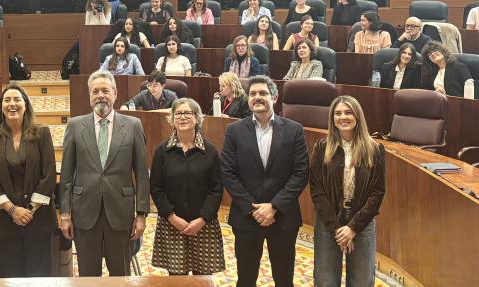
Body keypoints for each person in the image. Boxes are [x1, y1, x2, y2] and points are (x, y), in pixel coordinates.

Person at [220, 75, 309, 287]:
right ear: (248, 99)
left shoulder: (294, 130)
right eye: (253, 94)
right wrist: (254, 209)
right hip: (246, 217)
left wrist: (274, 207)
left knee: (284, 278)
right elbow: (228, 173)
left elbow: (301, 172)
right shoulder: (234, 130)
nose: (257, 97)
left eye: (263, 93)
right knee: (246, 279)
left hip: (283, 218)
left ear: (274, 98)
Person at [59, 70, 150, 276]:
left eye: (105, 90)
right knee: (88, 276)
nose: (100, 95)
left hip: (120, 212)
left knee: (120, 275)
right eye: (95, 91)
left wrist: (141, 214)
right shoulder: (75, 125)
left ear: (115, 93)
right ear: (90, 96)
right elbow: (66, 176)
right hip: (84, 212)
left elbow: (142, 175)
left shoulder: (133, 125)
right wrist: (65, 214)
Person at [0, 85, 57, 277]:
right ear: (1, 106)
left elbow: (49, 174)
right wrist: (13, 210)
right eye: (7, 100)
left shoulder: (42, 133)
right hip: (3, 221)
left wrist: (29, 210)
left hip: (37, 220)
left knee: (38, 276)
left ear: (25, 104)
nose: (12, 104)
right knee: (7, 277)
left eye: (17, 99)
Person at [309, 96, 386, 287]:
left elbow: (378, 192)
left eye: (348, 112)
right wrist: (337, 228)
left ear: (357, 116)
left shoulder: (374, 149)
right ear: (332, 118)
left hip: (362, 221)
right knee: (325, 280)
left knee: (361, 281)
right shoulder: (322, 147)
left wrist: (352, 228)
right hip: (329, 220)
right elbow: (317, 190)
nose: (343, 117)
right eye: (338, 113)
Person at [150, 98, 225, 278]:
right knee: (176, 279)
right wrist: (172, 217)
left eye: (188, 113)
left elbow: (216, 190)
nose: (183, 117)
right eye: (178, 113)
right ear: (172, 118)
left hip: (203, 225)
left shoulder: (210, 151)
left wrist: (201, 219)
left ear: (197, 118)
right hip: (172, 225)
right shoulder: (162, 151)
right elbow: (156, 188)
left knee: (203, 279)